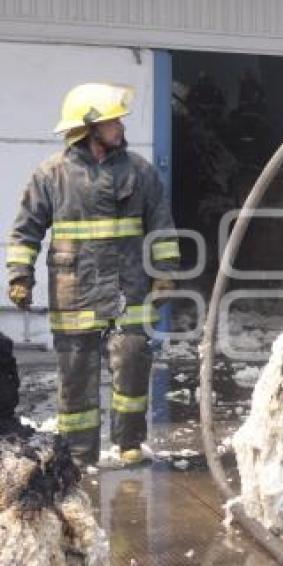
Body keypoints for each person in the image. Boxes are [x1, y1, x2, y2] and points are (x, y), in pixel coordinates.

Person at [5, 83, 180, 465]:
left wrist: (165, 272)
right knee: (76, 374)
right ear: (89, 128)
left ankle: (130, 443)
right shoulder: (51, 175)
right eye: (112, 121)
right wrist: (20, 274)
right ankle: (80, 452)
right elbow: (25, 230)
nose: (120, 126)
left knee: (133, 364)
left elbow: (162, 226)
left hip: (127, 286)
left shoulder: (140, 172)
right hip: (74, 289)